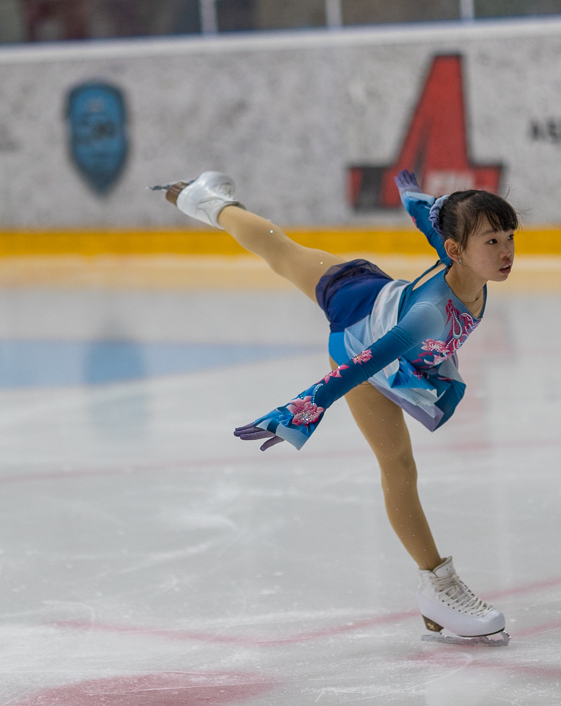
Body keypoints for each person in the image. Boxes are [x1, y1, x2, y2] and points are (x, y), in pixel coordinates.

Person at [153, 169, 518, 646]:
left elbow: (433, 222)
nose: (506, 251)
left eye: (509, 237)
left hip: (368, 290)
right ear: (457, 251)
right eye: (492, 240)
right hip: (361, 341)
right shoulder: (430, 312)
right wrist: (307, 405)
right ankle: (437, 586)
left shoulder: (463, 259)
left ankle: (209, 203)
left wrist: (413, 197)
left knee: (280, 251)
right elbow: (366, 363)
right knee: (398, 465)